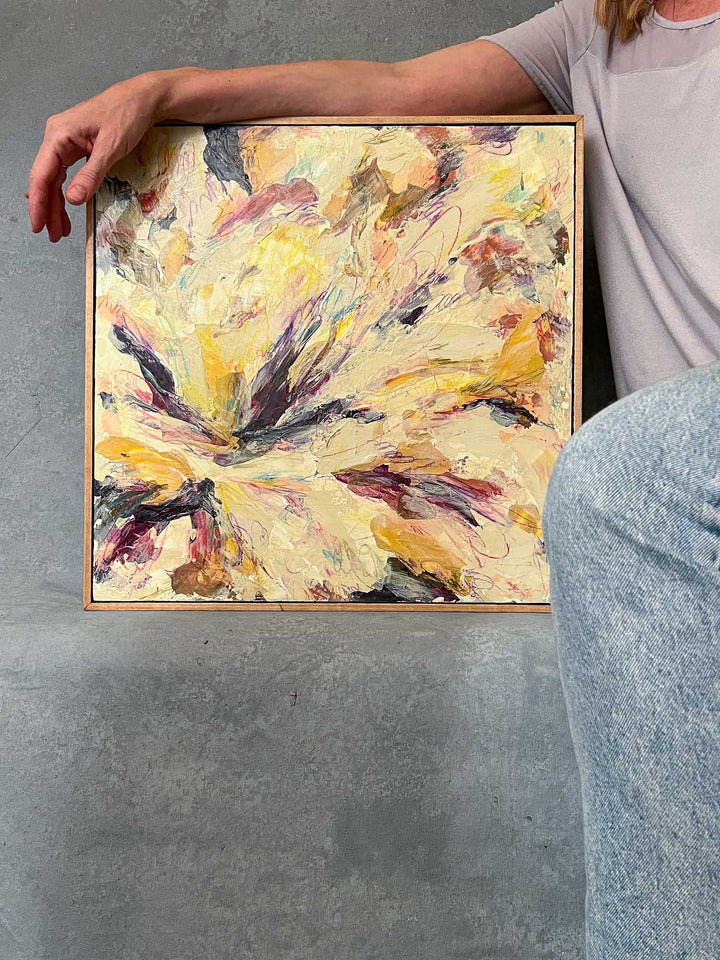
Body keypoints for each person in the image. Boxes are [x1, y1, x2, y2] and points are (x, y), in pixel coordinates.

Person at [26, 0, 720, 954]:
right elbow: (393, 89)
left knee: (608, 477)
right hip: (683, 497)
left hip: (657, 471)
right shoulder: (595, 34)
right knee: (620, 481)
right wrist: (165, 89)